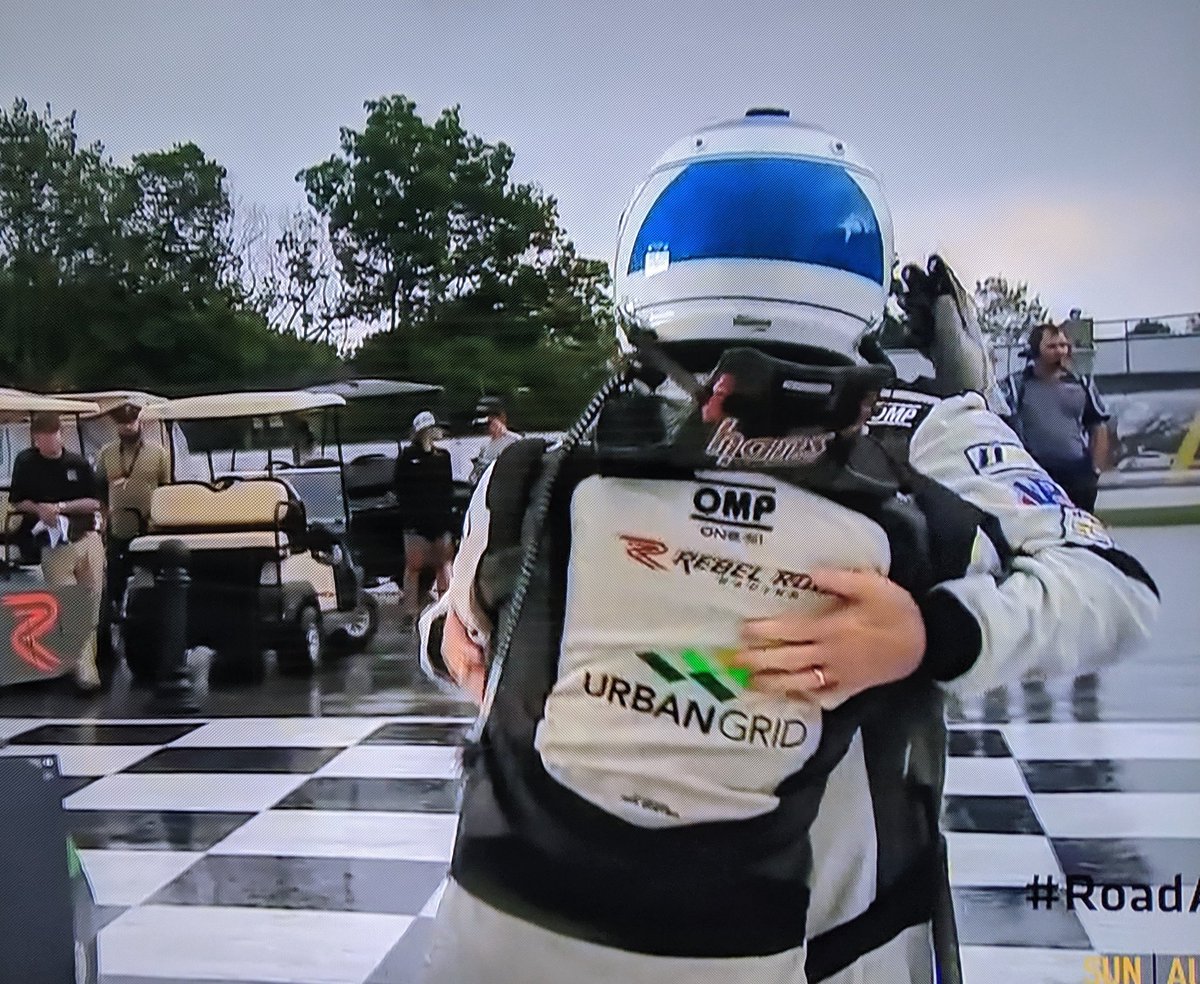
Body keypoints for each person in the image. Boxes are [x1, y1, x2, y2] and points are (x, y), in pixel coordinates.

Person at [418, 110, 1158, 984]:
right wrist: (451, 638)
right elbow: (484, 610)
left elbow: (1112, 589)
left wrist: (930, 634)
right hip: (607, 919)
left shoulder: (927, 430)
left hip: (845, 930)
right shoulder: (605, 438)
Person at [8, 412, 106, 692]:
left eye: (54, 437)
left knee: (91, 603)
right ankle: (84, 670)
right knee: (69, 605)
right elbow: (18, 501)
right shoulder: (26, 463)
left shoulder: (77, 463)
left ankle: (87, 662)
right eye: (43, 438)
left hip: (85, 537)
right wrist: (40, 509)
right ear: (36, 439)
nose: (49, 443)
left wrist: (61, 507)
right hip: (53, 544)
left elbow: (93, 501)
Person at [95, 402, 170, 681]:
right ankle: (107, 640)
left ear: (140, 423)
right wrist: (103, 520)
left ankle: (155, 631)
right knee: (112, 583)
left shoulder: (158, 454)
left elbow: (167, 490)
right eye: (122, 424)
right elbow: (99, 491)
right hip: (118, 529)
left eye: (132, 423)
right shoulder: (106, 454)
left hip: (150, 529)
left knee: (153, 582)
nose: (128, 428)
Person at [1001, 320, 1111, 511]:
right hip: (1035, 473)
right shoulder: (1016, 385)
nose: (1060, 351)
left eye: (1063, 346)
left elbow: (1098, 425)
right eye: (1052, 347)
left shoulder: (1081, 383)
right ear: (1036, 350)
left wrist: (1095, 470)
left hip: (1076, 472)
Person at [393, 411, 455, 631]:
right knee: (413, 568)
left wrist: (448, 521)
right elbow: (401, 490)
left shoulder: (443, 457)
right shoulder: (408, 458)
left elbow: (447, 490)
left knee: (443, 567)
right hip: (416, 524)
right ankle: (411, 613)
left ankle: (447, 609)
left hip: (439, 521)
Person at [466, 397, 520, 486]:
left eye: (494, 416)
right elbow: (474, 476)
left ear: (503, 417)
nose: (489, 420)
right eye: (484, 417)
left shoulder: (515, 441)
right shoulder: (480, 442)